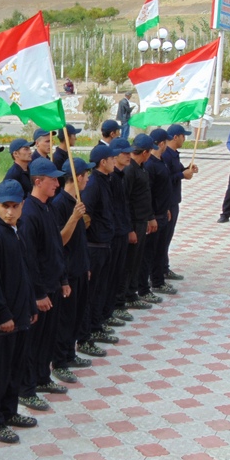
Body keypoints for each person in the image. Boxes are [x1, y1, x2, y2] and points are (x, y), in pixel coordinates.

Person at [0, 180, 39, 444]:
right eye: (5, 206)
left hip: (21, 313)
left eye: (15, 206)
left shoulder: (19, 231)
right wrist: (2, 316)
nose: (10, 212)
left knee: (16, 368)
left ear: (22, 206)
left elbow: (25, 273)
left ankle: (9, 411)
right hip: (2, 321)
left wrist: (30, 306)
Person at [19, 158, 70, 412]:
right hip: (39, 291)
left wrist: (63, 279)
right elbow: (30, 258)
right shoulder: (29, 213)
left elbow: (56, 247)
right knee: (33, 342)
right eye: (52, 180)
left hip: (53, 284)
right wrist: (38, 294)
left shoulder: (48, 208)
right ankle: (26, 388)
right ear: (38, 181)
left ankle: (42, 377)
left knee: (48, 338)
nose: (57, 184)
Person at [50, 158, 95, 383]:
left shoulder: (77, 201)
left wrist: (86, 265)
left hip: (79, 267)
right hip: (67, 272)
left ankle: (69, 353)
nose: (88, 180)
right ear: (78, 177)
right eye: (86, 175)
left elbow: (80, 240)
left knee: (77, 315)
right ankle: (59, 361)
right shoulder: (60, 204)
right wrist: (74, 218)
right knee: (65, 319)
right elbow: (60, 241)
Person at [80, 145, 120, 352]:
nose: (115, 161)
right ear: (103, 162)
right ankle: (86, 334)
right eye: (112, 159)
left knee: (100, 289)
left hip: (105, 243)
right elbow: (86, 216)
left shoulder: (106, 180)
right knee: (91, 293)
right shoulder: (94, 183)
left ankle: (96, 325)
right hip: (94, 246)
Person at [122, 134, 158, 311]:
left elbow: (145, 196)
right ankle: (127, 295)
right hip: (134, 222)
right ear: (145, 152)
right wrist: (130, 228)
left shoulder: (142, 169)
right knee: (130, 262)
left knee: (137, 261)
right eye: (150, 152)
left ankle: (132, 292)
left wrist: (150, 217)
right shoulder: (130, 170)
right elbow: (126, 201)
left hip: (142, 220)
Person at [141, 129, 177, 299]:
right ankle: (148, 285)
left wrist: (166, 208)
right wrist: (151, 216)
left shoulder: (161, 161)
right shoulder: (150, 165)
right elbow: (148, 193)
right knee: (150, 253)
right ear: (161, 143)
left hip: (163, 213)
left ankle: (158, 280)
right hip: (155, 216)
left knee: (160, 250)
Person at [105, 138, 136, 326]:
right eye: (125, 153)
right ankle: (111, 308)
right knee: (111, 275)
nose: (129, 156)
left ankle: (113, 306)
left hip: (122, 231)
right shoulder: (111, 179)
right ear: (114, 156)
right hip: (113, 234)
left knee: (120, 271)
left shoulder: (121, 176)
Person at [162, 124, 198, 281]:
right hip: (167, 202)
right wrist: (182, 175)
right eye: (183, 136)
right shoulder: (166, 155)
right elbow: (165, 179)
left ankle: (164, 266)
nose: (184, 139)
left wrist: (187, 169)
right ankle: (160, 270)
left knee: (168, 237)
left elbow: (177, 171)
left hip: (174, 200)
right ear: (175, 137)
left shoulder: (174, 154)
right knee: (163, 238)